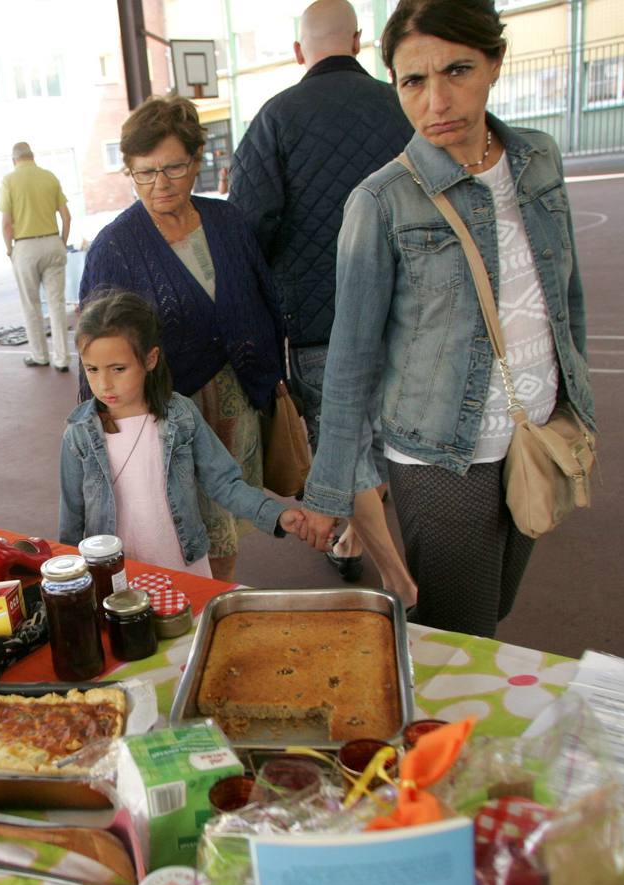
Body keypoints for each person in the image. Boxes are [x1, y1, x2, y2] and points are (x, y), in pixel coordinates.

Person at [297, 0, 594, 637]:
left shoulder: (538, 159)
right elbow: (349, 360)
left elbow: (565, 298)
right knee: (462, 628)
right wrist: (330, 492)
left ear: (495, 63)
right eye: (413, 81)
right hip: (438, 452)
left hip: (535, 427)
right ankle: (440, 734)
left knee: (497, 603)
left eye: (457, 71)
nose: (436, 101)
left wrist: (579, 402)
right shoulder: (380, 201)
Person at [228, 0, 417, 606]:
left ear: (298, 52)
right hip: (408, 315)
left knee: (340, 440)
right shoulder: (405, 104)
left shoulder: (275, 119)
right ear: (359, 42)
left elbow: (249, 226)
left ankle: (376, 560)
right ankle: (362, 543)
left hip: (317, 319)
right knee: (392, 440)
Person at [80, 95, 286, 584]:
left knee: (226, 521)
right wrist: (105, 423)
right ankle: (198, 607)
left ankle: (219, 596)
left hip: (236, 397)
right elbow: (96, 345)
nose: (160, 184)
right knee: (179, 524)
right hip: (167, 409)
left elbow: (263, 297)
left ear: (197, 161)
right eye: (144, 172)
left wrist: (274, 376)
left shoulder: (226, 221)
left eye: (173, 168)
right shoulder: (117, 246)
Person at [59, 293, 306, 573]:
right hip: (114, 574)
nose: (104, 384)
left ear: (150, 359)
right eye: (92, 369)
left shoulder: (181, 416)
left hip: (183, 564)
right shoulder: (78, 434)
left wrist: (275, 514)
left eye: (118, 369)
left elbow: (223, 481)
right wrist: (70, 576)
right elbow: (72, 516)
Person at [0, 141, 72, 372]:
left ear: (14, 160)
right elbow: (66, 216)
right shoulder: (49, 177)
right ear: (33, 156)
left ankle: (40, 355)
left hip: (25, 247)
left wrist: (10, 249)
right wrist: (62, 241)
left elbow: (6, 223)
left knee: (31, 305)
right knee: (57, 304)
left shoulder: (9, 180)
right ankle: (62, 359)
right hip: (52, 242)